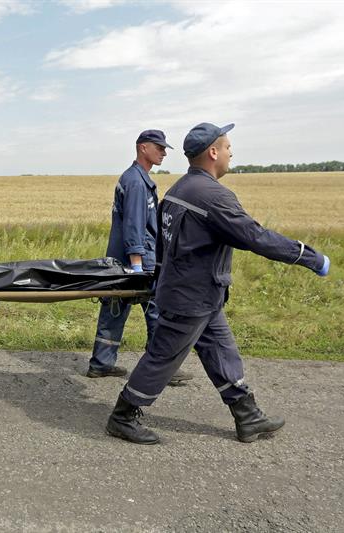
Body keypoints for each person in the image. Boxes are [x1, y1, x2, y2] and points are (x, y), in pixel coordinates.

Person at [105, 122, 331, 445]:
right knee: (163, 357)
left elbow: (161, 246)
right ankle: (123, 415)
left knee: (223, 351)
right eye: (227, 147)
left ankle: (247, 415)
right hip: (190, 298)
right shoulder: (214, 197)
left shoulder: (177, 191)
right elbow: (256, 237)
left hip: (200, 294)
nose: (231, 153)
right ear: (213, 152)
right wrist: (309, 257)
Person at [87, 129, 193, 386]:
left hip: (127, 258)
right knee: (157, 310)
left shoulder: (137, 178)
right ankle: (161, 369)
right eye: (159, 147)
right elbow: (134, 225)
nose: (164, 152)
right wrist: (136, 265)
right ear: (143, 148)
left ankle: (101, 364)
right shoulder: (136, 182)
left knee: (115, 308)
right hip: (138, 260)